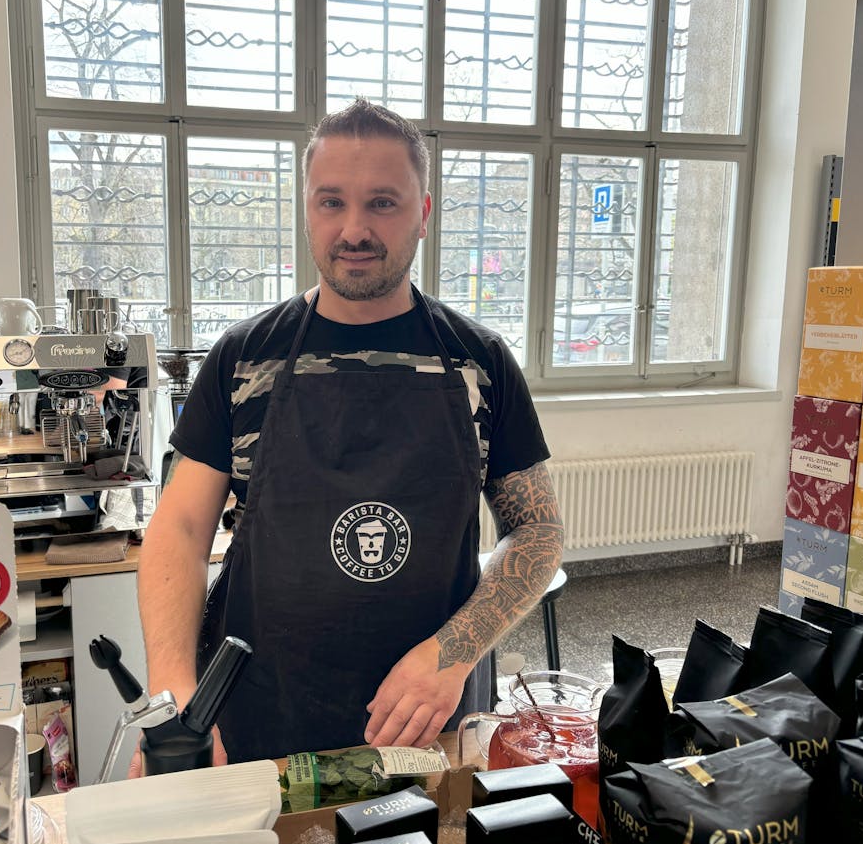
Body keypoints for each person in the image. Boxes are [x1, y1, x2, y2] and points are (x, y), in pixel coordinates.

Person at [135, 97, 563, 768]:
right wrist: (173, 689)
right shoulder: (245, 358)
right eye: (331, 202)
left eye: (383, 203)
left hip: (429, 716)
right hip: (257, 711)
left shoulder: (480, 361)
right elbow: (181, 529)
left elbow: (537, 532)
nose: (354, 229)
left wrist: (450, 656)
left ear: (423, 213)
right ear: (307, 208)